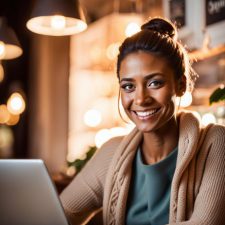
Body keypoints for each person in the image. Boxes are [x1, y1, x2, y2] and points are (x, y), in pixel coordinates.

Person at [60, 17, 225, 225]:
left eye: (155, 83)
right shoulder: (112, 153)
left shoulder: (215, 143)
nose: (140, 99)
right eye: (129, 86)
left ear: (181, 84)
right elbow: (60, 213)